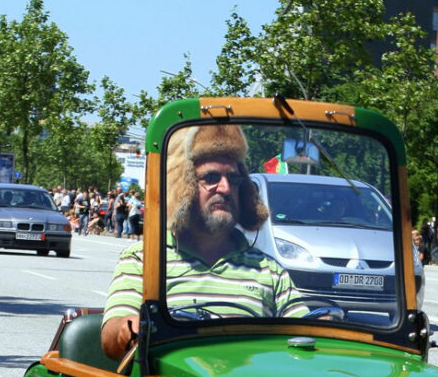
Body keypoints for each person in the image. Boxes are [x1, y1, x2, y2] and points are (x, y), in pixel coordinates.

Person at [101, 123, 298, 359]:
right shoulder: (145, 260)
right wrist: (128, 327)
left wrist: (323, 322)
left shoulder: (269, 269)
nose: (225, 188)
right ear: (184, 186)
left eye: (233, 179)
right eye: (211, 177)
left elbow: (307, 335)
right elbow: (111, 338)